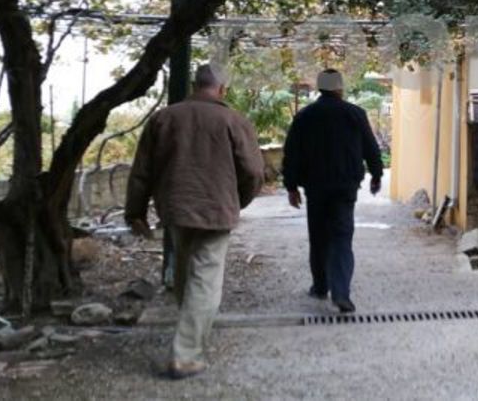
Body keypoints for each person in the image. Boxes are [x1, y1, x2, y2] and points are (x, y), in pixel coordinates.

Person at [125, 63, 265, 380]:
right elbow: (254, 172)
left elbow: (141, 172)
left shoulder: (163, 119)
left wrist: (135, 212)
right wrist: (237, 200)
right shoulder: (234, 120)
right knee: (204, 280)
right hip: (216, 212)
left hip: (175, 210)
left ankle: (189, 336)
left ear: (194, 85)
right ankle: (185, 355)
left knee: (186, 274)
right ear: (222, 89)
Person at [282, 68, 384, 313]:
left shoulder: (305, 116)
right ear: (339, 87)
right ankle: (341, 293)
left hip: (315, 187)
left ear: (320, 87)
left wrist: (291, 186)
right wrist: (376, 175)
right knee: (341, 237)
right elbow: (371, 147)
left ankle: (320, 286)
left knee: (318, 237)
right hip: (344, 188)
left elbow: (292, 152)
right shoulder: (355, 114)